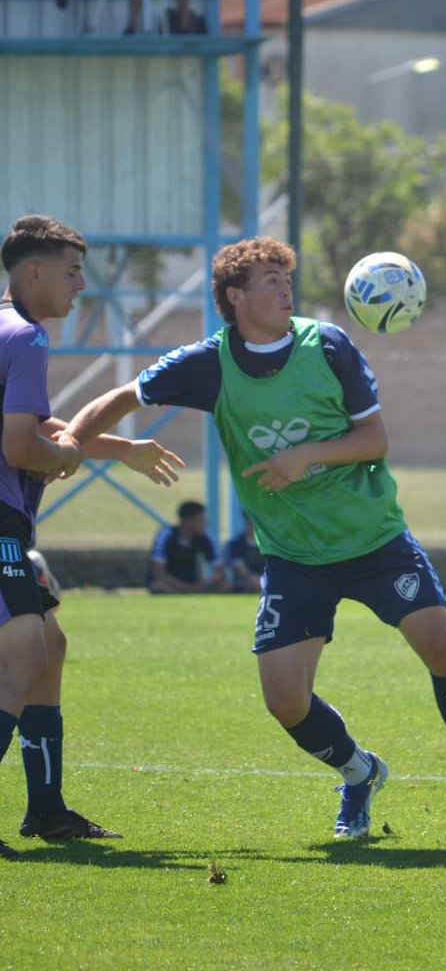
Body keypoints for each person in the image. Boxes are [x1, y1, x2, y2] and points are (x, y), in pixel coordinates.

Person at [62, 236, 446, 840]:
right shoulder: (209, 364)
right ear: (235, 298)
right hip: (294, 556)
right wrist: (71, 445)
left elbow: (374, 440)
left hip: (373, 539)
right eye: (269, 281)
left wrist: (305, 457)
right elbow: (122, 397)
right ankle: (359, 772)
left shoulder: (328, 345)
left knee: (443, 651)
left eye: (287, 278)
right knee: (285, 701)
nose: (286, 289)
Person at [0, 215, 183, 858]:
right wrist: (65, 452)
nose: (82, 284)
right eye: (73, 271)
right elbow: (25, 446)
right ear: (34, 272)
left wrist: (112, 447)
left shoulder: (4, 330)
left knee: (49, 642)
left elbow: (42, 431)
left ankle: (46, 811)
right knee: (23, 651)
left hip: (8, 524)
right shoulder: (25, 338)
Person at [149, 500, 225, 594]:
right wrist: (188, 588)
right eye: (201, 519)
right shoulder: (166, 535)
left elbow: (220, 570)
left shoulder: (205, 536)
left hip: (195, 585)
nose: (205, 523)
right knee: (158, 586)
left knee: (226, 585)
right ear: (188, 520)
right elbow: (159, 573)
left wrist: (205, 584)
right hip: (172, 585)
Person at [223, 515, 264, 593]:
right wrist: (252, 579)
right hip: (243, 584)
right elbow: (238, 567)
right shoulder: (236, 543)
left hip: (265, 582)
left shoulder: (268, 545)